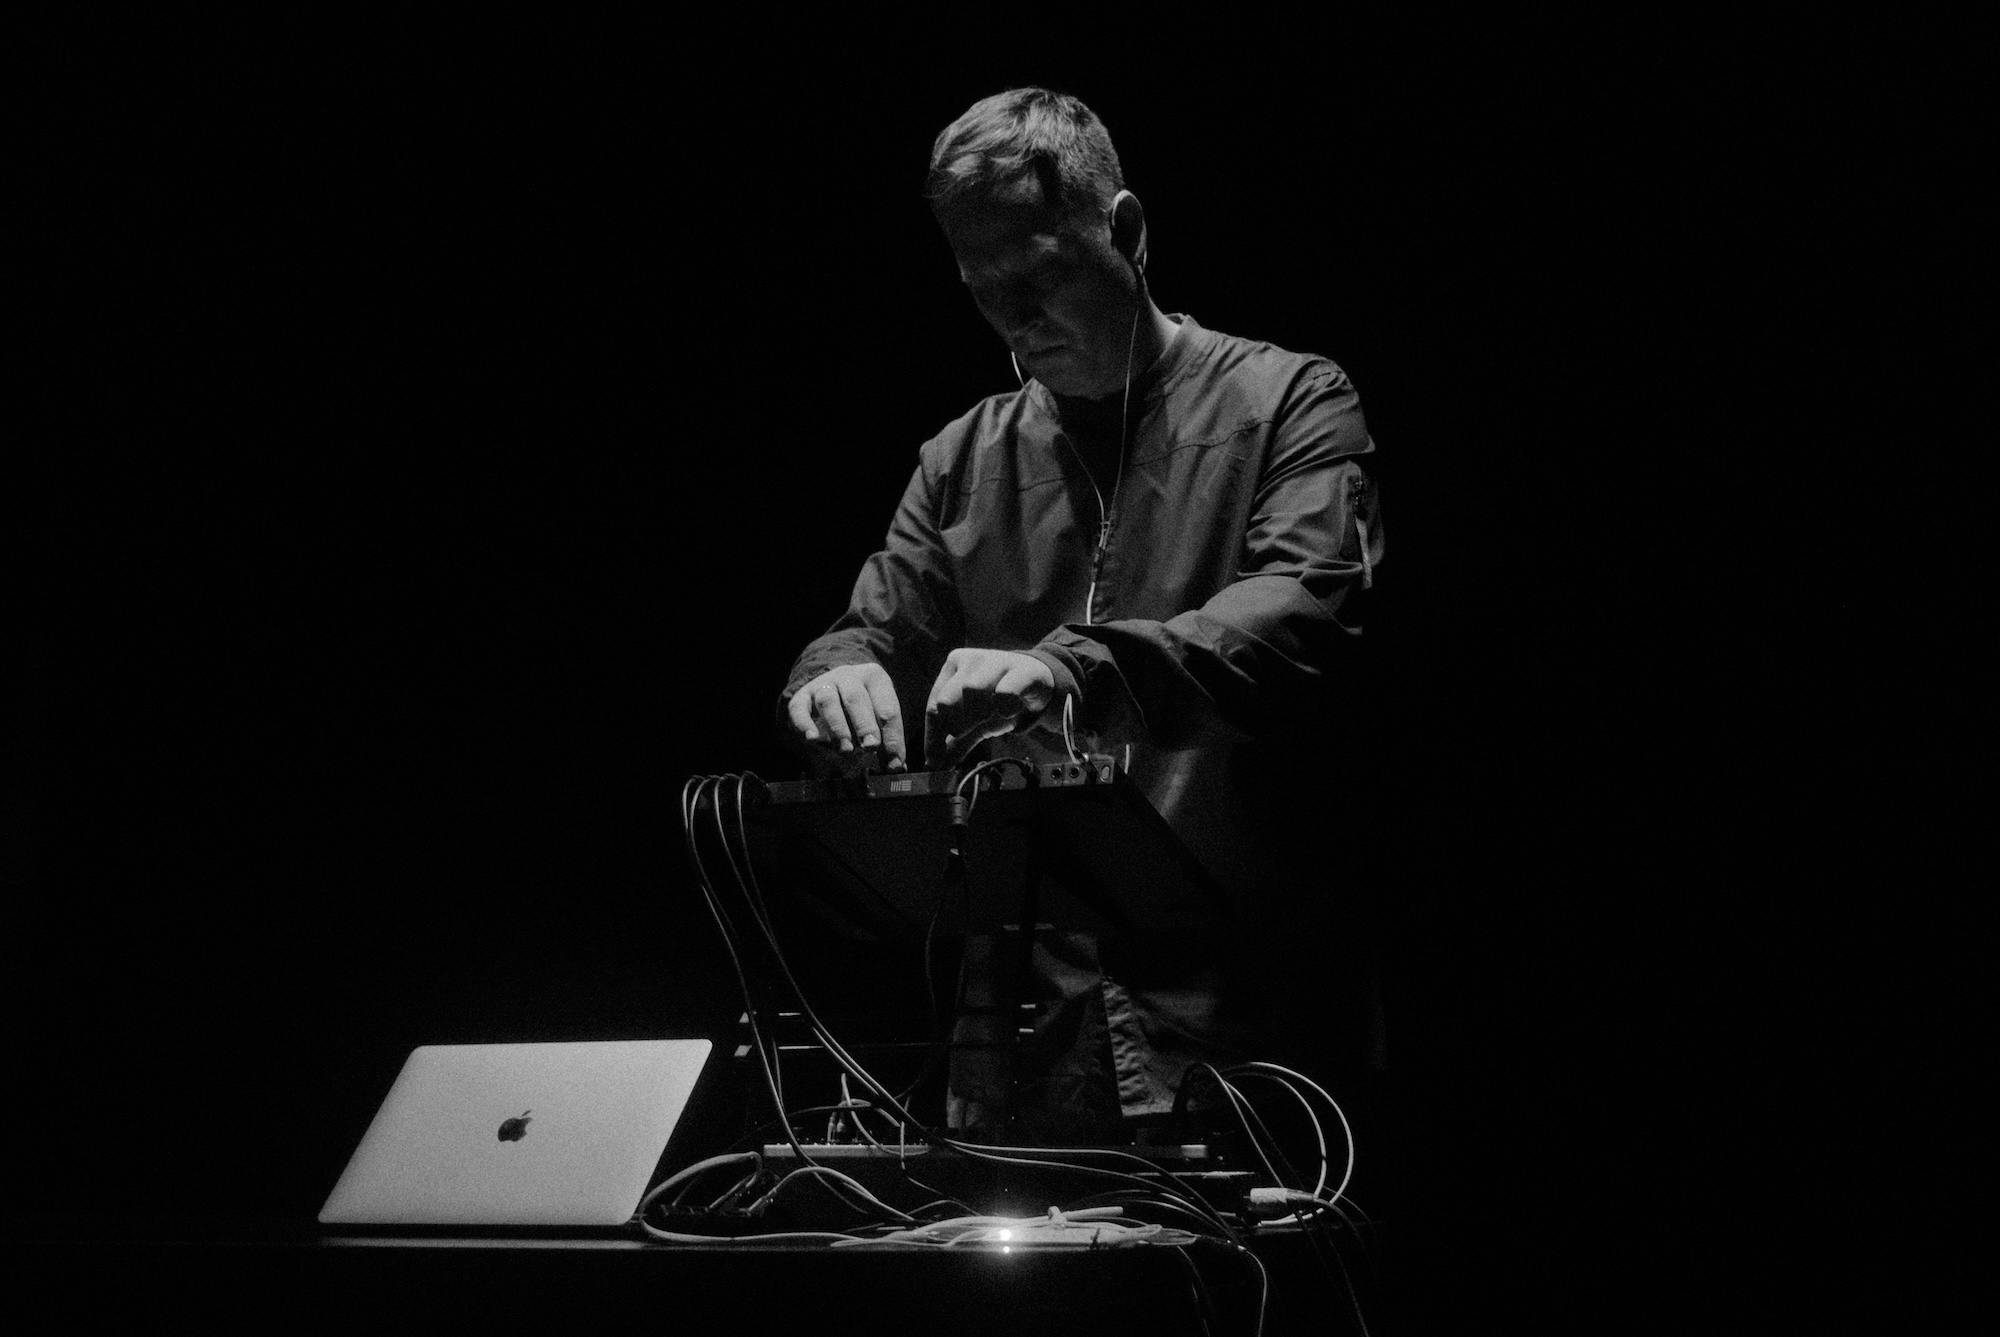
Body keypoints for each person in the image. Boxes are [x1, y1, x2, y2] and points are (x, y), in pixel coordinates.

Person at [780, 88, 1386, 1144]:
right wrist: (834, 672)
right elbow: (869, 627)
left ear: (1129, 233)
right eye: (983, 291)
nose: (1015, 320)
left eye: (1040, 276)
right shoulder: (961, 457)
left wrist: (1070, 665)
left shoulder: (1290, 400)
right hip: (1021, 1044)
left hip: (1244, 1023)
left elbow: (1301, 614)